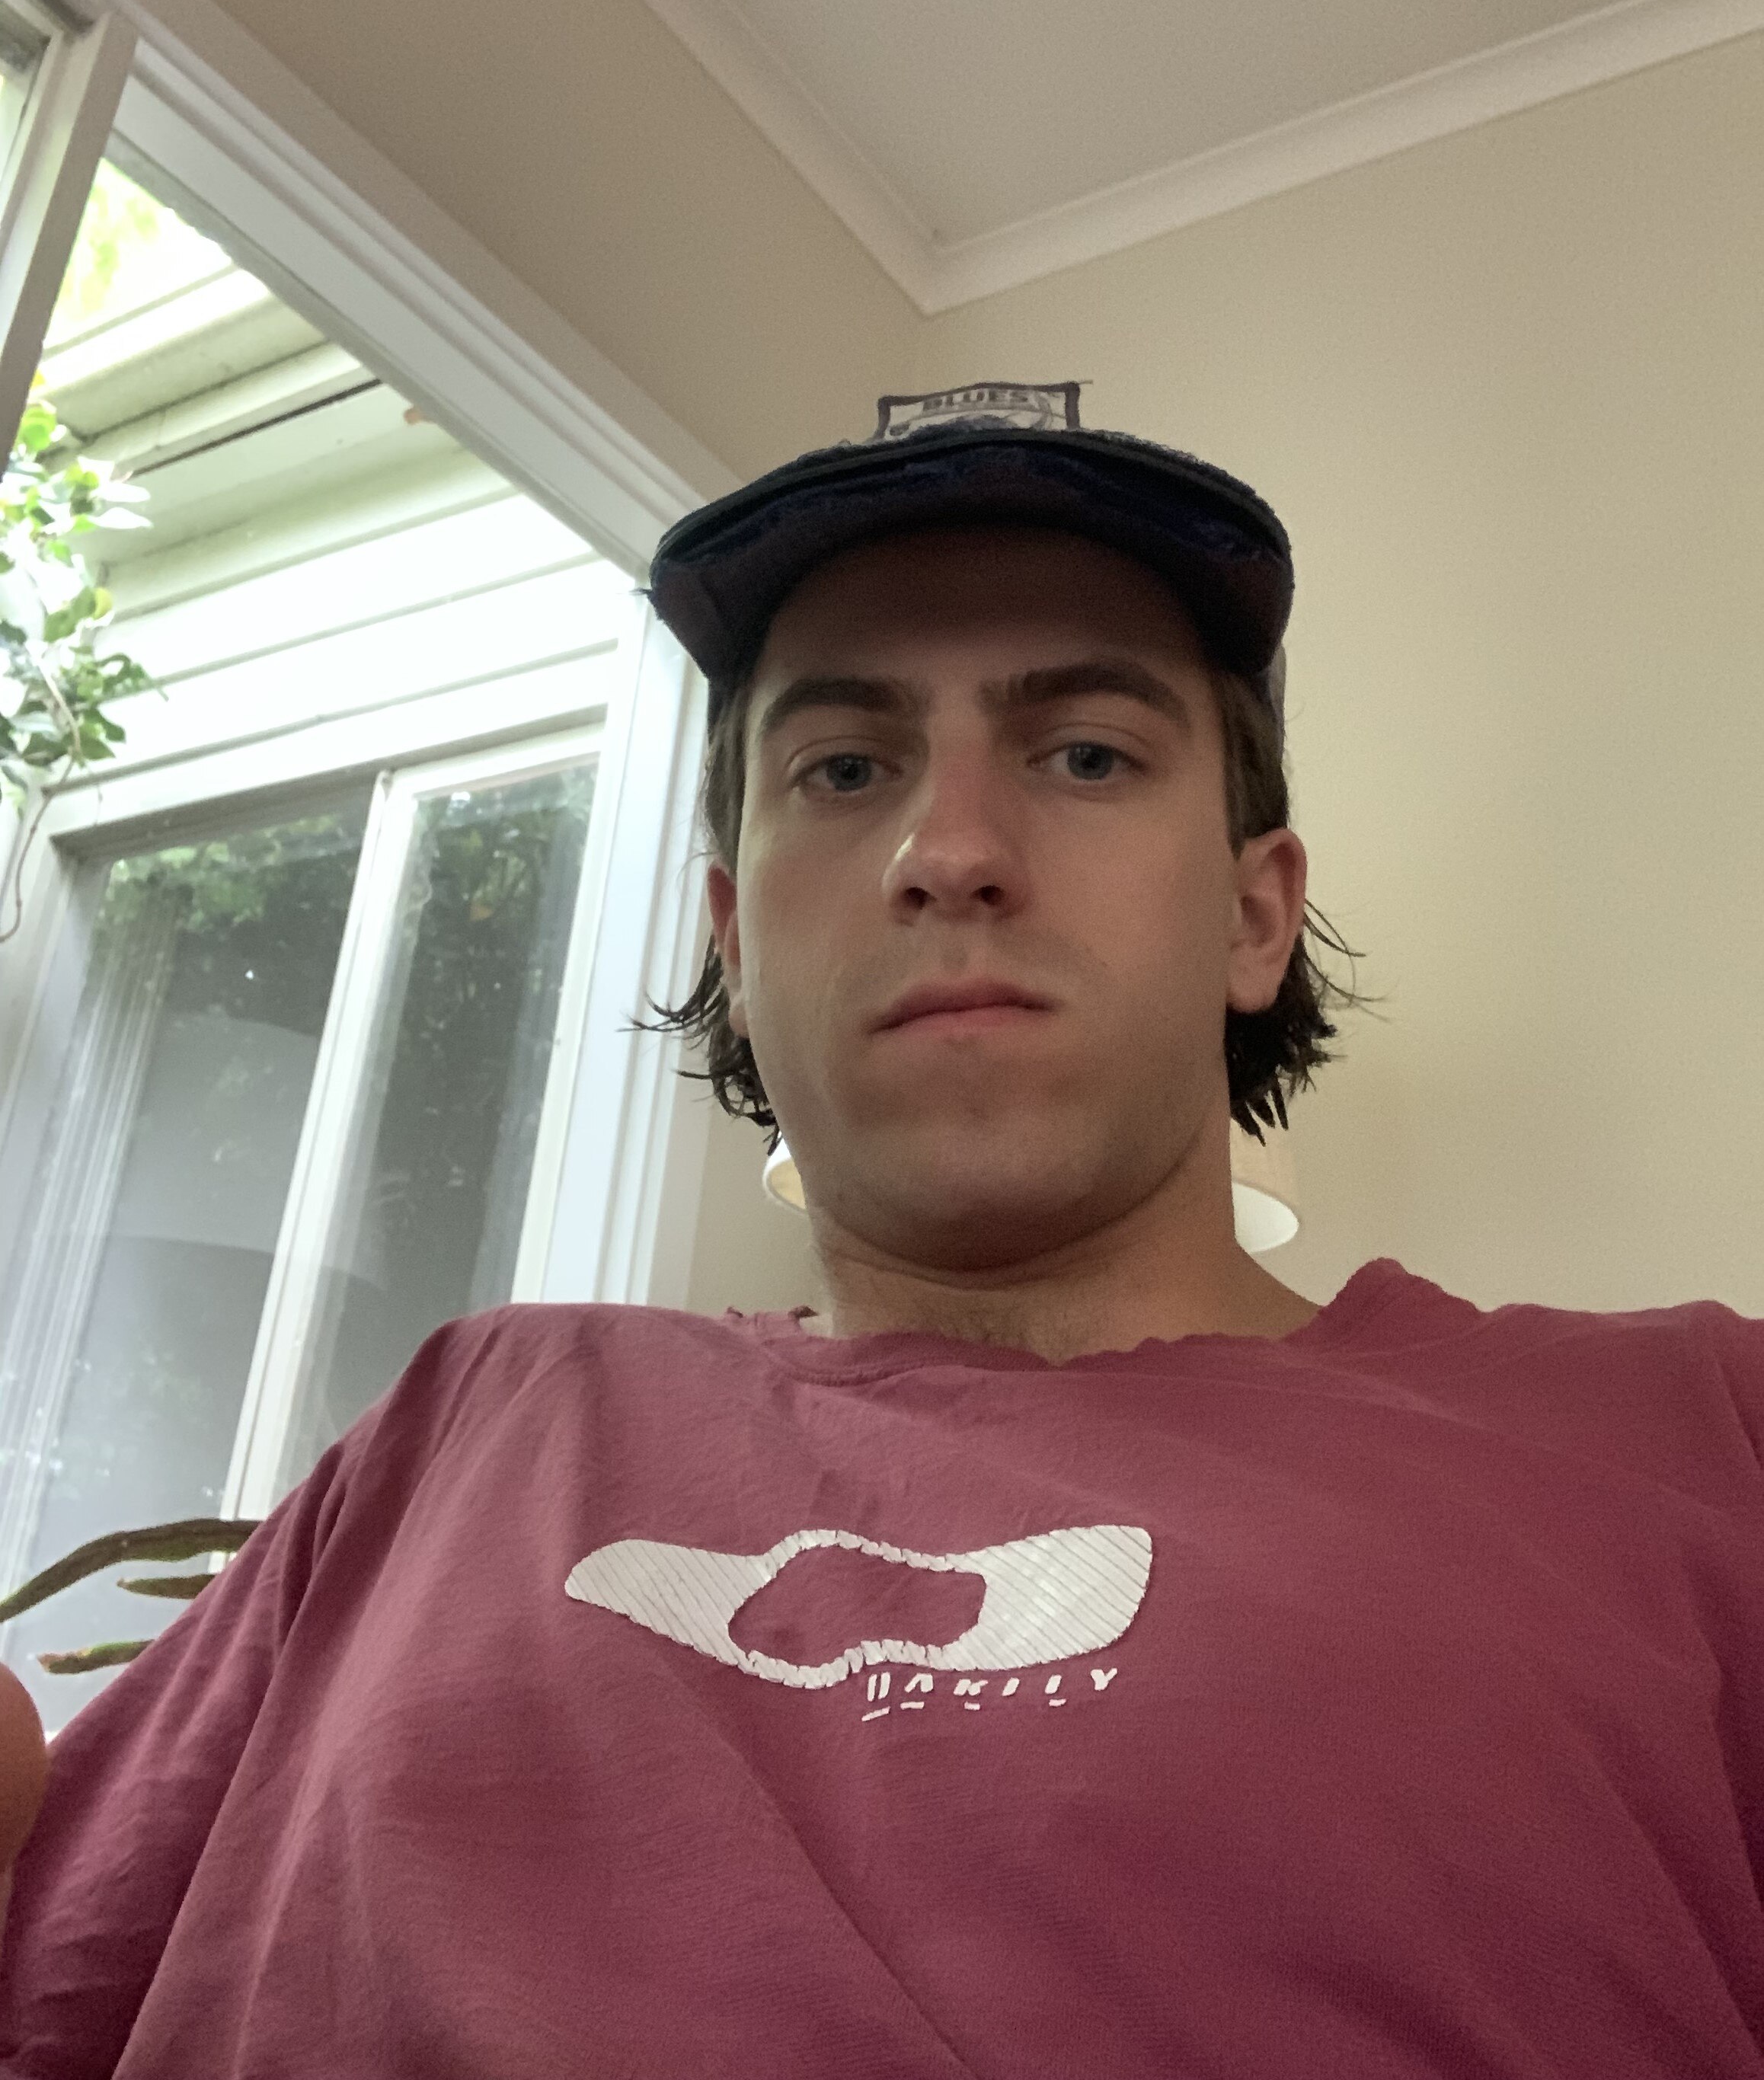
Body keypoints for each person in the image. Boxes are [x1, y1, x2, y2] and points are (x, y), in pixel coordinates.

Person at [4, 381, 1764, 2078]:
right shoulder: (464, 1421)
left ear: (1254, 913)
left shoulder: (1703, 1431)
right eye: (845, 767)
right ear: (734, 940)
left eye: (1086, 751)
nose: (950, 845)